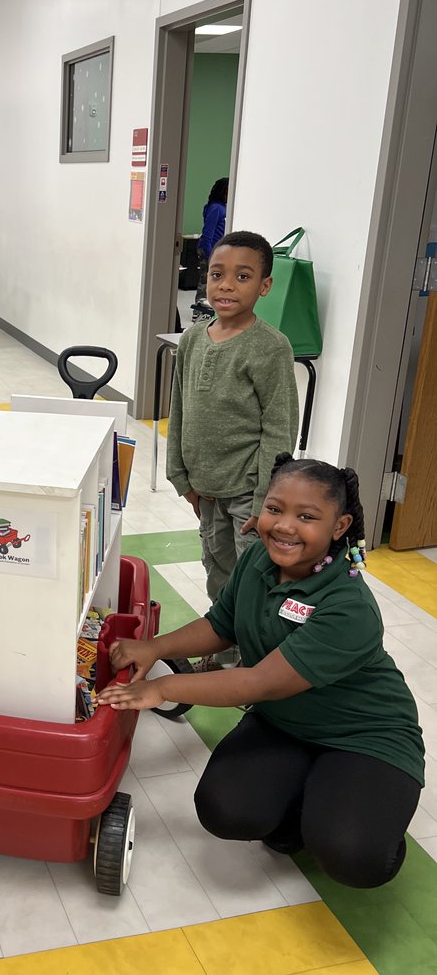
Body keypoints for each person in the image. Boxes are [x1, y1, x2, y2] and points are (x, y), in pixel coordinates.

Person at [99, 456, 425, 889]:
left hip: (363, 735)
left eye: (307, 517)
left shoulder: (348, 605)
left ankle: (362, 818)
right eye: (275, 509)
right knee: (226, 809)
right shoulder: (257, 560)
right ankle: (312, 803)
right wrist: (155, 646)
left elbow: (258, 682)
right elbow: (221, 625)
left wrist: (163, 687)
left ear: (340, 525)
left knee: (353, 854)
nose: (284, 526)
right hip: (283, 722)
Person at [167, 230, 298, 666]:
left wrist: (266, 502)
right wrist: (181, 478)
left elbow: (279, 430)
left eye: (242, 276)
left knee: (253, 577)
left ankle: (254, 657)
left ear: (264, 286)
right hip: (206, 490)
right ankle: (224, 644)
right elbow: (179, 409)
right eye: (217, 274)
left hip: (248, 494)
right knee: (218, 570)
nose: (226, 285)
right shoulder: (192, 339)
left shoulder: (271, 348)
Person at [194, 176, 229, 318]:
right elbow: (208, 234)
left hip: (219, 251)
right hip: (209, 249)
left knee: (213, 281)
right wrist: (210, 256)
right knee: (205, 282)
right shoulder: (216, 208)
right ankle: (199, 312)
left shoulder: (224, 208)